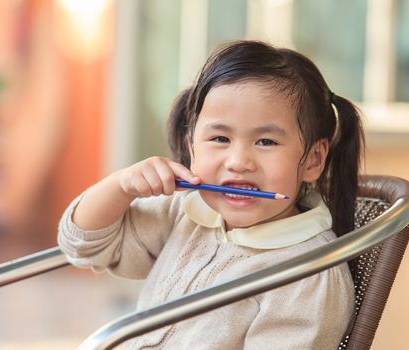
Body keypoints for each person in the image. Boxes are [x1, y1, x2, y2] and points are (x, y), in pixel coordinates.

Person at [58, 40, 364, 349]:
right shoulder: (184, 212)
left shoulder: (308, 276)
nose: (239, 162)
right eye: (220, 138)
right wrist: (120, 186)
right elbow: (82, 247)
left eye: (266, 142)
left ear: (313, 160)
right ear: (192, 147)